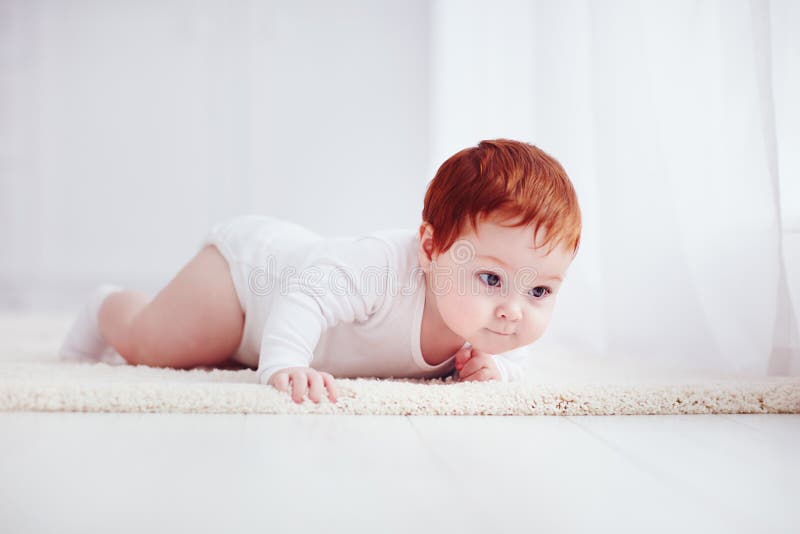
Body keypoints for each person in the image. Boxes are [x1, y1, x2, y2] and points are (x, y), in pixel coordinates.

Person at [58, 139, 582, 405]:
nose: (514, 310)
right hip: (248, 282)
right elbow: (307, 295)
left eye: (539, 290)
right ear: (431, 247)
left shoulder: (495, 324)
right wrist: (284, 363)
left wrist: (500, 369)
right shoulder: (382, 268)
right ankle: (106, 306)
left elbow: (520, 354)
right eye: (491, 280)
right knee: (160, 346)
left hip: (273, 291)